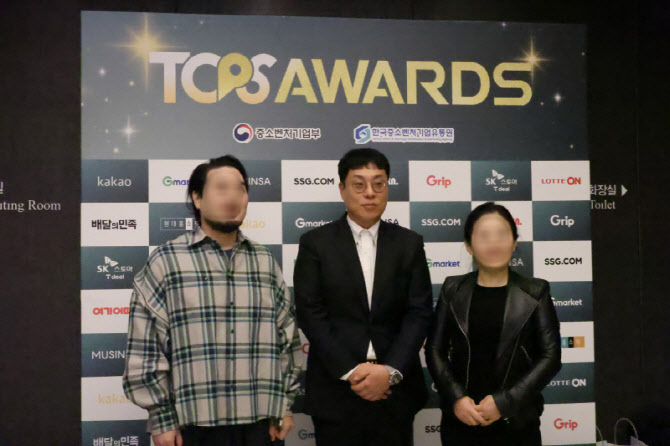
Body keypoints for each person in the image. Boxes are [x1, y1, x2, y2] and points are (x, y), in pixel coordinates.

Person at [122, 155, 302, 446]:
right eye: (221, 188)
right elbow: (146, 346)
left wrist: (284, 405)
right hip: (193, 426)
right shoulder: (166, 261)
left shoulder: (264, 260)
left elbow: (287, 337)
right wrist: (161, 418)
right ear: (197, 198)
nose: (232, 197)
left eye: (240, 189)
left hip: (260, 423)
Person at [293, 148, 433, 446]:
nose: (370, 193)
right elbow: (310, 312)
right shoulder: (315, 244)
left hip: (394, 391)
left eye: (378, 184)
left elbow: (419, 312)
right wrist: (352, 371)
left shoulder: (409, 244)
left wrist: (389, 372)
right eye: (359, 184)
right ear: (342, 189)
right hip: (336, 390)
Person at [425, 201, 561, 446]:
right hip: (462, 419)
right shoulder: (452, 289)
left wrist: (503, 403)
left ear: (514, 242)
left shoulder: (536, 292)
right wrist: (457, 399)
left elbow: (551, 356)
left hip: (516, 421)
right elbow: (435, 350)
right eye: (484, 236)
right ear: (469, 246)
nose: (493, 243)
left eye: (501, 234)